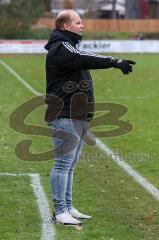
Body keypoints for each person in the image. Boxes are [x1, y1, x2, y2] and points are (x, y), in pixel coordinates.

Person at [44, 9, 136, 225]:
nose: (82, 25)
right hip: (65, 114)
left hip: (78, 114)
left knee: (71, 164)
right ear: (66, 26)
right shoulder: (61, 47)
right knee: (62, 164)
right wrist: (114, 61)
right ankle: (60, 212)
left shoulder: (69, 45)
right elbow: (82, 58)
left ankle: (67, 207)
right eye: (78, 22)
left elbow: (81, 58)